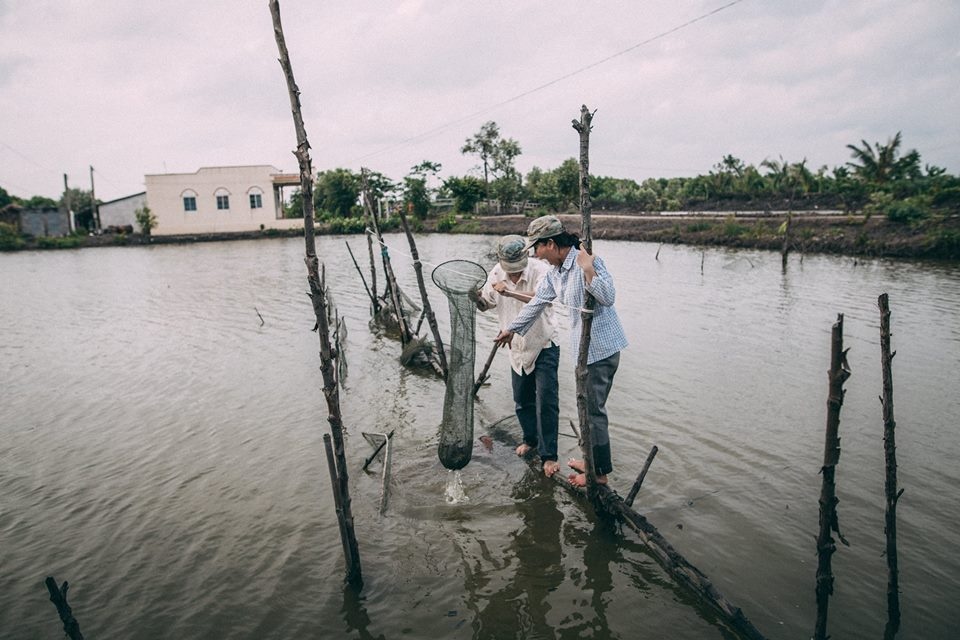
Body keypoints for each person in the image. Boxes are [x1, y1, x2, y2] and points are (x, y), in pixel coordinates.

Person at [494, 215, 628, 487]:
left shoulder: (585, 261)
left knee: (593, 412)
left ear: (552, 244)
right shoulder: (556, 273)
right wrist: (512, 329)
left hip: (601, 348)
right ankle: (591, 461)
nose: (536, 255)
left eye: (538, 248)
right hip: (584, 349)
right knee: (587, 409)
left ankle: (598, 473)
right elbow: (537, 303)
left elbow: (609, 297)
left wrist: (589, 270)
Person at [476, 235, 561, 477]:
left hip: (543, 342)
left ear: (526, 258)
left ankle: (549, 456)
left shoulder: (541, 270)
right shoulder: (496, 273)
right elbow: (486, 304)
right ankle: (531, 441)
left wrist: (511, 293)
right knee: (522, 400)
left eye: (516, 270)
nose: (512, 275)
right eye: (509, 271)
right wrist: (475, 298)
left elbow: (544, 299)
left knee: (546, 401)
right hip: (516, 347)